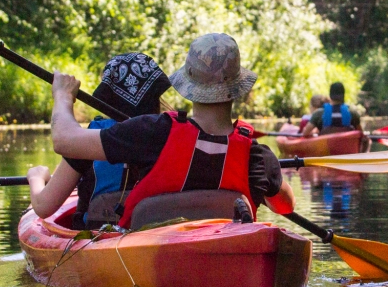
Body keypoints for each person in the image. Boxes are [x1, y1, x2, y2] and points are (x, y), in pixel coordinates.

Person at [28, 33, 295, 229]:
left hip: (150, 254)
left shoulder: (154, 133)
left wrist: (63, 96)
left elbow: (64, 140)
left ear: (188, 82)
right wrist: (267, 181)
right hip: (221, 249)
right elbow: (286, 207)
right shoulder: (257, 156)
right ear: (239, 88)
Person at [27, 52, 171, 229]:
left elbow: (43, 205)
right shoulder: (171, 131)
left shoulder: (93, 137)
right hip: (154, 233)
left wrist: (36, 176)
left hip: (99, 238)